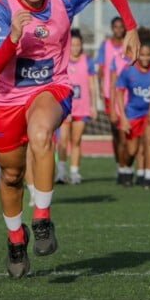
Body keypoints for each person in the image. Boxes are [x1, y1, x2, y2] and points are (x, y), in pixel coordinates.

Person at [0, 0, 138, 278]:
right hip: (7, 97)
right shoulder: (2, 8)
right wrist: (13, 37)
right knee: (10, 174)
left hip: (53, 87)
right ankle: (15, 238)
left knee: (41, 132)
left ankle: (42, 220)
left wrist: (132, 27)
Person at [115, 27, 150, 189]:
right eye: (142, 54)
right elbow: (119, 93)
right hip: (133, 112)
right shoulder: (128, 70)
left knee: (149, 140)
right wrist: (122, 117)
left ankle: (148, 177)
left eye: (148, 55)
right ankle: (126, 169)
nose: (145, 58)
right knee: (131, 149)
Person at [56, 28, 97, 185]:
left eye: (77, 44)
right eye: (72, 44)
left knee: (76, 140)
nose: (75, 47)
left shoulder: (87, 61)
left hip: (82, 106)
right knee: (63, 140)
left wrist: (93, 105)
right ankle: (61, 172)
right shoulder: (62, 60)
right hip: (65, 107)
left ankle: (74, 172)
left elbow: (92, 85)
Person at [96, 15, 129, 182]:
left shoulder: (128, 46)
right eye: (116, 26)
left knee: (126, 131)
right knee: (116, 131)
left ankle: (127, 165)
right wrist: (101, 90)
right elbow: (101, 70)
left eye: (121, 27)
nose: (119, 29)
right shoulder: (106, 45)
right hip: (110, 93)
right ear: (112, 28)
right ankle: (120, 163)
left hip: (127, 93)